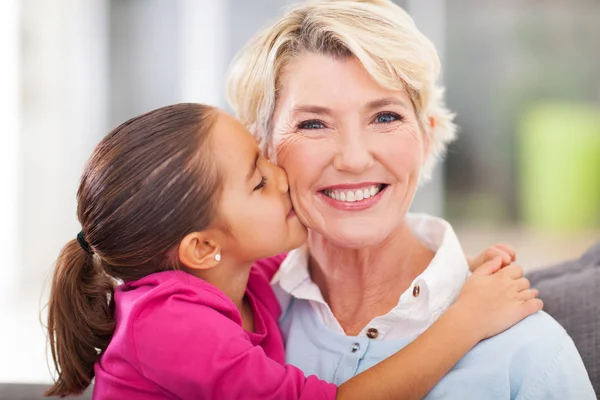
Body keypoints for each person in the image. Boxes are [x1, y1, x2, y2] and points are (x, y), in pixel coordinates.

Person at [226, 0, 596, 398]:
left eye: (385, 117)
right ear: (264, 151)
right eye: (313, 123)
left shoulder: (528, 351)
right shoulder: (229, 327)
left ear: (426, 136)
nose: (353, 159)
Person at [45, 103, 540, 399]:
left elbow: (349, 251)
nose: (281, 177)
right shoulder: (168, 325)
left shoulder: (240, 270)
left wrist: (447, 275)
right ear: (201, 246)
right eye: (259, 182)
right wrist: (467, 320)